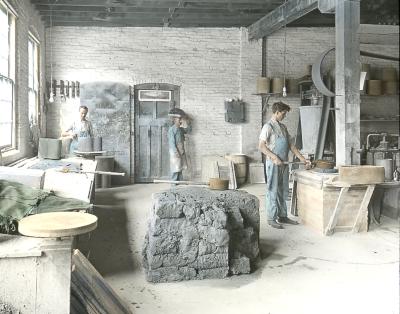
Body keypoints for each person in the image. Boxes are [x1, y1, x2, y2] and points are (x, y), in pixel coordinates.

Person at [259, 101, 310, 229]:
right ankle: (271, 218)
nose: (284, 116)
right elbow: (261, 146)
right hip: (274, 164)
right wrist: (274, 157)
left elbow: (291, 146)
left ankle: (282, 215)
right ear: (276, 112)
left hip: (284, 164)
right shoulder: (268, 127)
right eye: (283, 113)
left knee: (283, 190)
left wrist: (303, 159)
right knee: (273, 190)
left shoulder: (283, 127)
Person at [168, 109, 191, 182]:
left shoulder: (180, 129)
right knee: (175, 168)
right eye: (179, 119)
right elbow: (171, 142)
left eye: (181, 119)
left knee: (180, 167)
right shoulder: (172, 130)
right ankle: (173, 184)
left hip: (181, 150)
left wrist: (188, 122)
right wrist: (175, 152)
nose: (181, 121)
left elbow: (188, 130)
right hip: (175, 151)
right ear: (174, 120)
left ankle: (180, 182)